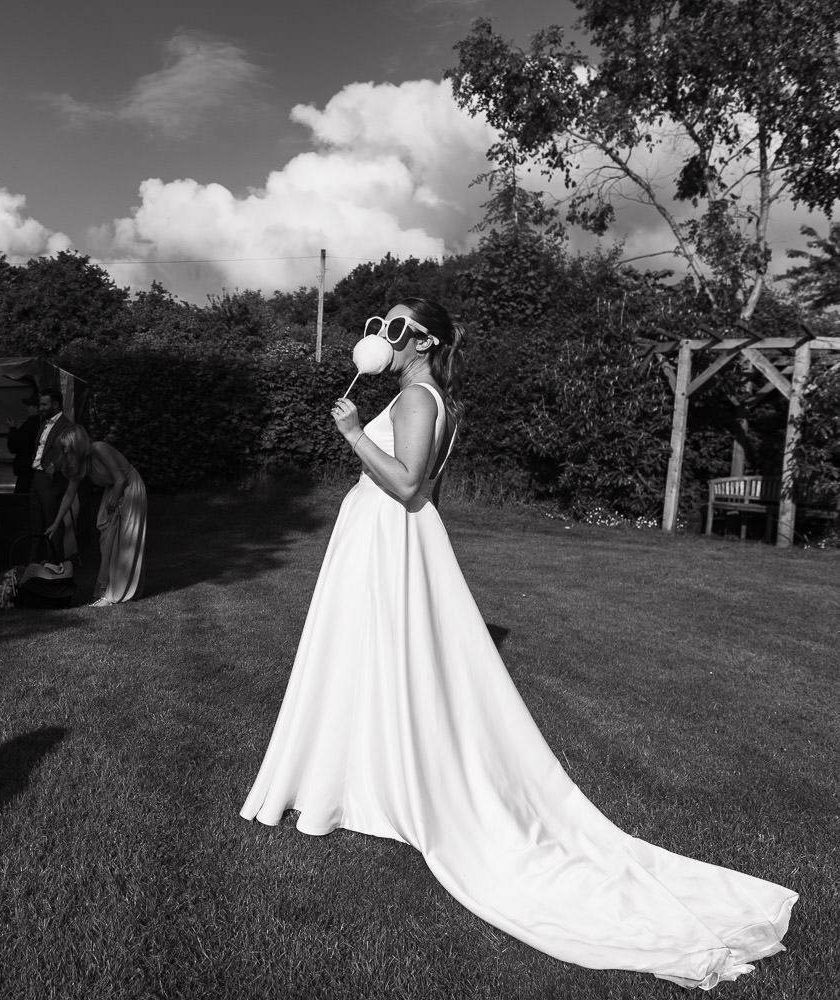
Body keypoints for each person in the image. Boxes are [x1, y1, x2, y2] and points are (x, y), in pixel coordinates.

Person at [239, 298, 795, 988]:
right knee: (376, 661)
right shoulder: (433, 399)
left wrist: (353, 435)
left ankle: (353, 782)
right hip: (386, 542)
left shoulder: (417, 398)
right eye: (383, 325)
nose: (385, 335)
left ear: (426, 342)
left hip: (385, 532)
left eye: (399, 328)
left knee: (369, 658)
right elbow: (430, 501)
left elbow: (411, 487)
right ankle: (360, 776)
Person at [50, 426, 146, 605]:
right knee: (106, 538)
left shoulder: (99, 449)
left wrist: (114, 501)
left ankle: (115, 592)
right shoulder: (80, 463)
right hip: (114, 490)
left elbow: (120, 479)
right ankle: (107, 588)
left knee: (124, 540)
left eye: (66, 448)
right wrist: (56, 523)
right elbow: (69, 495)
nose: (64, 452)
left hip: (130, 489)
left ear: (76, 445)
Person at [27, 389, 76, 561]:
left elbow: (69, 451)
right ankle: (36, 563)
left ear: (55, 404)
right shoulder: (44, 423)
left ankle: (55, 563)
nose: (41, 408)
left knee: (52, 522)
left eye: (44, 404)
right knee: (36, 523)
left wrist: (55, 464)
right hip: (37, 476)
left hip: (51, 480)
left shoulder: (66, 426)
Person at [5, 395, 41, 495]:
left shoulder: (31, 425)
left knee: (23, 498)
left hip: (27, 469)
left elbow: (15, 445)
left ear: (37, 409)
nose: (27, 408)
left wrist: (12, 429)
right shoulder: (41, 424)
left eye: (30, 406)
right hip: (33, 469)